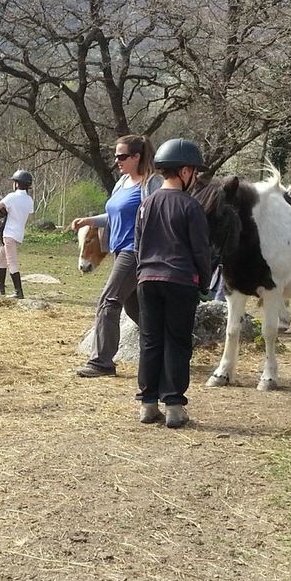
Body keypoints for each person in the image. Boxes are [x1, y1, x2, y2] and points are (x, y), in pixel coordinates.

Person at [134, 139, 212, 428]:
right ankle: (175, 406)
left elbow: (138, 244)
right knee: (177, 342)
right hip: (180, 280)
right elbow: (200, 250)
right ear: (184, 171)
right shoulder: (191, 207)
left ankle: (148, 403)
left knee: (150, 341)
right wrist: (204, 280)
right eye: (193, 171)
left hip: (147, 279)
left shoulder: (146, 204)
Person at [71, 134, 160, 377]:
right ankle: (167, 347)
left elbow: (159, 213)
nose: (117, 161)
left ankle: (102, 362)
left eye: (121, 156)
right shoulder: (122, 182)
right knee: (136, 310)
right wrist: (90, 220)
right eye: (116, 156)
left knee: (108, 301)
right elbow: (114, 214)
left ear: (136, 157)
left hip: (135, 251)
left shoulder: (152, 184)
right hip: (120, 249)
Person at [0, 169, 34, 298]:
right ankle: (0, 286)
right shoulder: (29, 200)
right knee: (0, 257)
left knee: (12, 262)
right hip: (18, 233)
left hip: (9, 233)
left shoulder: (11, 196)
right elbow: (28, 215)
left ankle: (18, 291)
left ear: (17, 184)